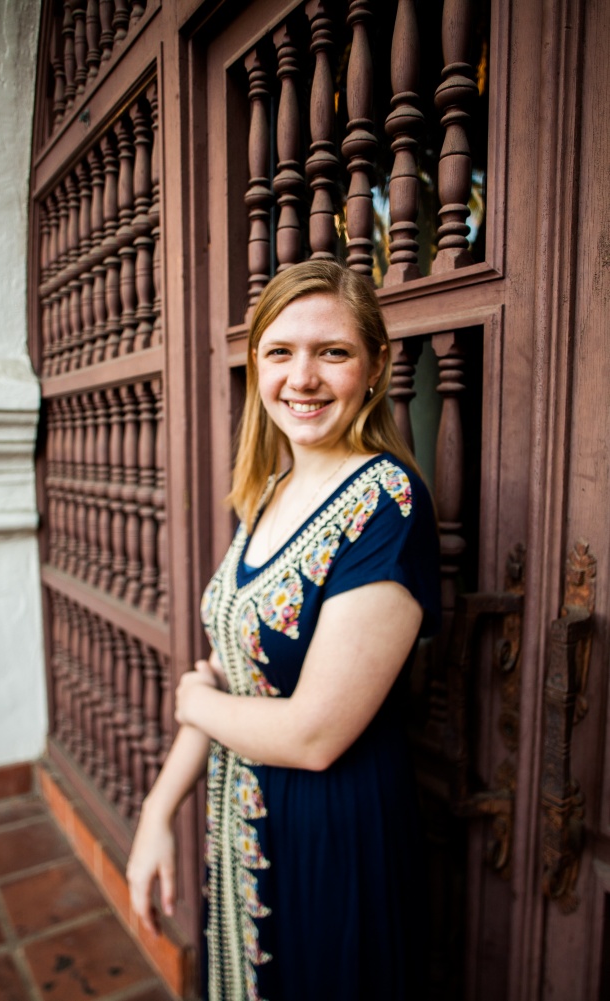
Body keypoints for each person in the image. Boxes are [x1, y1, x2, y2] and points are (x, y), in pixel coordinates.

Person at [127, 259, 441, 1001]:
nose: (302, 377)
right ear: (256, 365)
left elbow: (312, 733)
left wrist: (193, 702)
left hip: (330, 830)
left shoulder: (386, 500)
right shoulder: (268, 491)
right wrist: (154, 812)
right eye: (280, 352)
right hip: (241, 817)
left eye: (331, 351)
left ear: (374, 366)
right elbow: (230, 667)